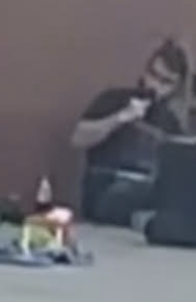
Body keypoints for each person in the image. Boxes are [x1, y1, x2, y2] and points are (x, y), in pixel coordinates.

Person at [71, 38, 190, 226]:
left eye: (166, 82)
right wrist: (119, 118)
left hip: (149, 190)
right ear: (145, 72)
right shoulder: (114, 99)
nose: (156, 85)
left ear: (175, 88)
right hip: (107, 189)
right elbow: (78, 138)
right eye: (154, 75)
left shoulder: (170, 121)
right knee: (130, 191)